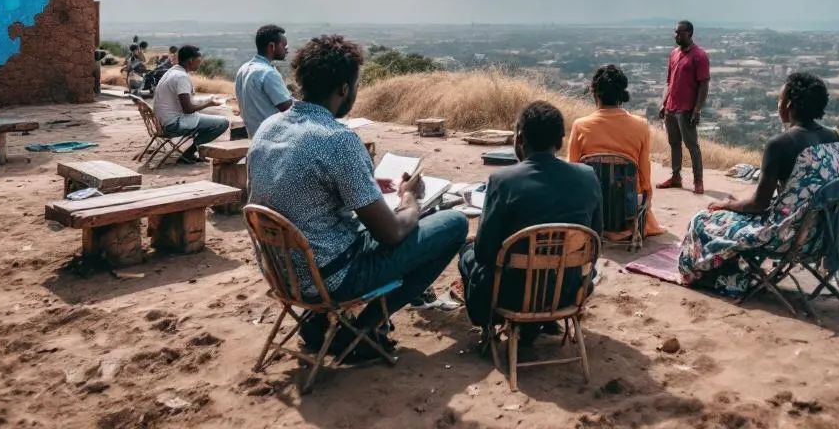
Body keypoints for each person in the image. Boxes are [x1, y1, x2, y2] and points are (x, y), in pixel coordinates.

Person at [247, 34, 467, 360]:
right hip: (330, 279)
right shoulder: (338, 141)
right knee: (454, 224)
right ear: (343, 89)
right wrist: (410, 199)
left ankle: (317, 319)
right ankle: (365, 329)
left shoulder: (269, 127)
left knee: (362, 225)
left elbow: (309, 192)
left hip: (282, 272)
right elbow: (390, 234)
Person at [677, 72, 839, 296]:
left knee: (702, 220)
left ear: (788, 104)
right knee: (734, 213)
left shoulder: (781, 144)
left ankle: (720, 276)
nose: (778, 104)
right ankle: (734, 271)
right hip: (823, 236)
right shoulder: (836, 139)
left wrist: (728, 204)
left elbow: (758, 205)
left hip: (786, 238)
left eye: (780, 99)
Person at [458, 101, 603, 343]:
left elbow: (484, 253)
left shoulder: (503, 180)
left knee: (467, 252)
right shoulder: (588, 176)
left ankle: (489, 325)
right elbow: (595, 238)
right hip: (567, 292)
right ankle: (546, 320)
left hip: (512, 296)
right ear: (559, 142)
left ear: (519, 140)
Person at [567, 65, 666, 240]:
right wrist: (647, 199)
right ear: (622, 95)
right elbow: (644, 173)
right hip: (626, 210)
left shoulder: (580, 126)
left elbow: (571, 173)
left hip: (592, 208)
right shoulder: (641, 126)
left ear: (595, 94)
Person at [656, 20, 710, 194]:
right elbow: (669, 82)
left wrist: (697, 109)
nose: (676, 36)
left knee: (692, 145)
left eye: (680, 32)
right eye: (676, 32)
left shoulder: (699, 56)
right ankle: (676, 177)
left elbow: (704, 84)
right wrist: (664, 103)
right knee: (674, 143)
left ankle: (698, 181)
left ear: (690, 33)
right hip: (671, 106)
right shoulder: (673, 54)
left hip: (687, 108)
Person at [151, 44, 230, 163]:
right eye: (198, 61)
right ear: (190, 61)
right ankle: (189, 153)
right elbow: (188, 109)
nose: (200, 63)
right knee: (222, 123)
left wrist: (206, 100)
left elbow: (185, 101)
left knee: (209, 121)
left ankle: (193, 152)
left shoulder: (171, 72)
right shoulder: (181, 77)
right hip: (173, 125)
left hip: (163, 122)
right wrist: (208, 103)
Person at [235, 24, 294, 139]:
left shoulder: (244, 69)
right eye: (284, 45)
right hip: (274, 137)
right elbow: (288, 108)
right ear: (272, 46)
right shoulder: (268, 73)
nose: (286, 49)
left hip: (254, 134)